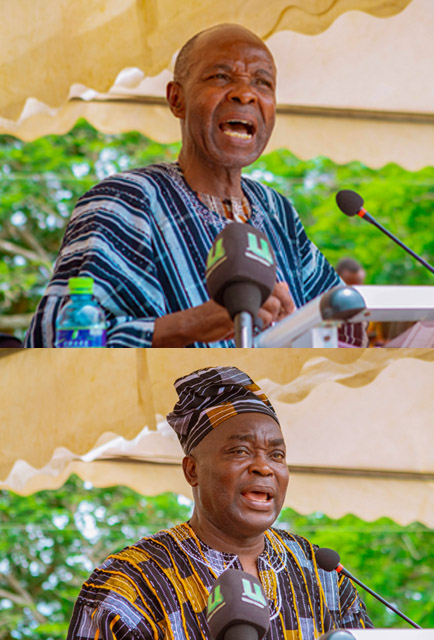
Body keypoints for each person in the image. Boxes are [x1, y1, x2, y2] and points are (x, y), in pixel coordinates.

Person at [26, 24, 343, 347]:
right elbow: (54, 343)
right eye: (221, 77)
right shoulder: (124, 202)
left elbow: (344, 317)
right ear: (176, 99)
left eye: (262, 83)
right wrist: (194, 324)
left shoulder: (277, 210)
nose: (245, 94)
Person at [66, 366, 372, 639]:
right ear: (193, 470)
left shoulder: (322, 575)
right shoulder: (128, 584)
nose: (264, 467)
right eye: (240, 451)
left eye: (276, 455)